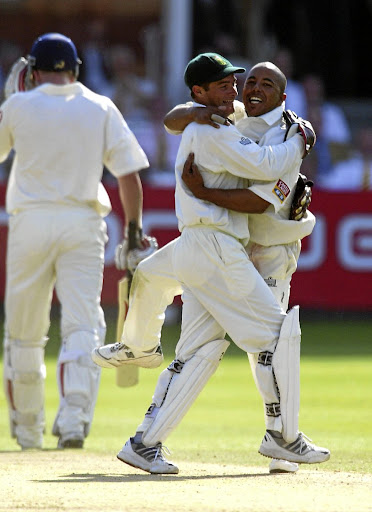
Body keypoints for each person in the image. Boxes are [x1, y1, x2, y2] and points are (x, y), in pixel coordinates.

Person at [92, 53, 330, 474]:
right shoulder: (226, 118)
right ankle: (284, 439)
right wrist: (197, 111)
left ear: (283, 96)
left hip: (266, 248)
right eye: (247, 81)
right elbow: (176, 118)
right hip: (223, 246)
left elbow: (261, 199)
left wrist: (204, 189)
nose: (249, 90)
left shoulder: (281, 130)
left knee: (222, 350)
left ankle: (146, 440)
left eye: (262, 85)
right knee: (275, 337)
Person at [0, 32, 155, 450]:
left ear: (33, 71)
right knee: (83, 325)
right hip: (84, 224)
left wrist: (8, 102)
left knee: (24, 332)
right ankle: (73, 420)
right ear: (76, 70)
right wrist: (135, 231)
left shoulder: (18, 105)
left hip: (30, 224)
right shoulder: (100, 106)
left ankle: (28, 429)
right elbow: (128, 175)